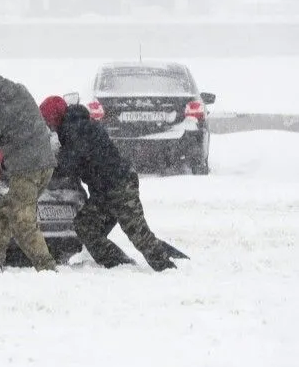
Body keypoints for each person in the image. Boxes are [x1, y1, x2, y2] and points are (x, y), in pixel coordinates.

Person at [39, 95, 188, 272]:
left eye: (47, 121)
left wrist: (45, 166)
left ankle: (171, 268)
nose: (48, 126)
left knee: (138, 233)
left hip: (119, 185)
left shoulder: (76, 129)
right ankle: (120, 263)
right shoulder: (75, 125)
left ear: (54, 117)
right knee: (86, 226)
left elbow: (69, 163)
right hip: (104, 190)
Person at [0, 68, 58, 272]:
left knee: (22, 222)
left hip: (27, 169)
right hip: (46, 164)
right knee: (4, 211)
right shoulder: (19, 91)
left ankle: (48, 270)